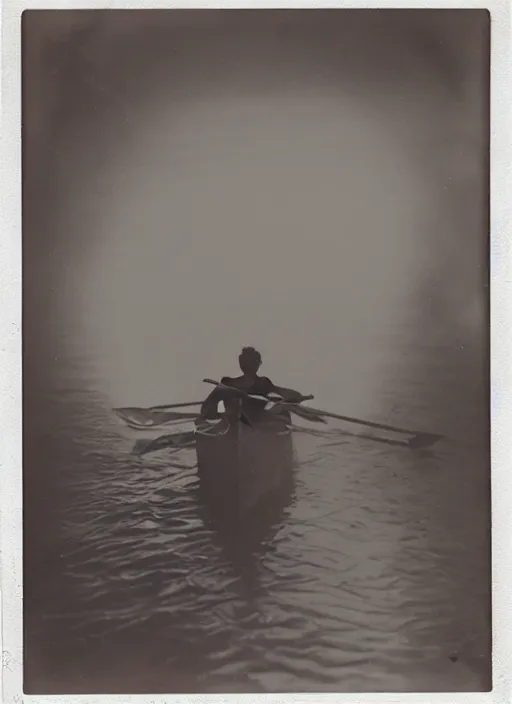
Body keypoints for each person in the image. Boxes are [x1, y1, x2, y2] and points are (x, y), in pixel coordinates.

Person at [200, 346, 307, 422]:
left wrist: (298, 397)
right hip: (231, 426)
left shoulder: (263, 383)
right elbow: (206, 408)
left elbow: (287, 394)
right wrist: (215, 415)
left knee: (283, 412)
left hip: (257, 428)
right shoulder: (227, 383)